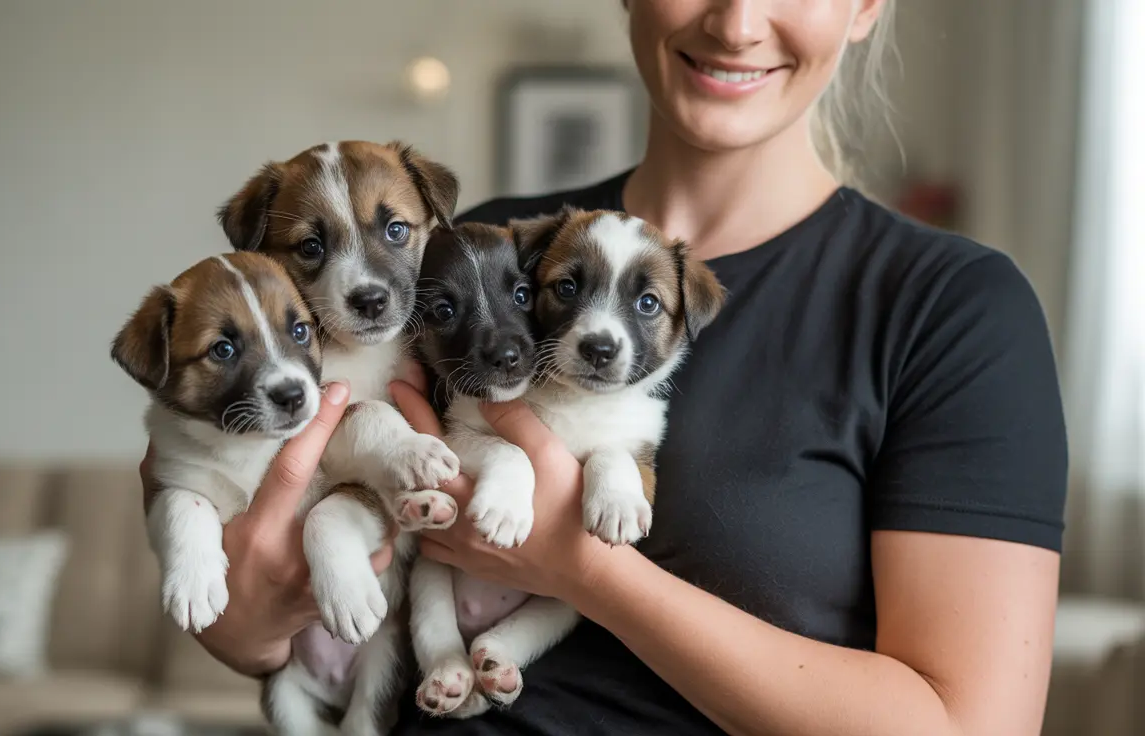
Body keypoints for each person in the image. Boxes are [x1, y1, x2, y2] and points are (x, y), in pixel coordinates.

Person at [142, 1, 1068, 734]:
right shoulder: (473, 249)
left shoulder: (952, 309)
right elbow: (266, 572)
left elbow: (967, 725)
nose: (737, 21)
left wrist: (587, 572)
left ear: (866, 5)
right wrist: (249, 618)